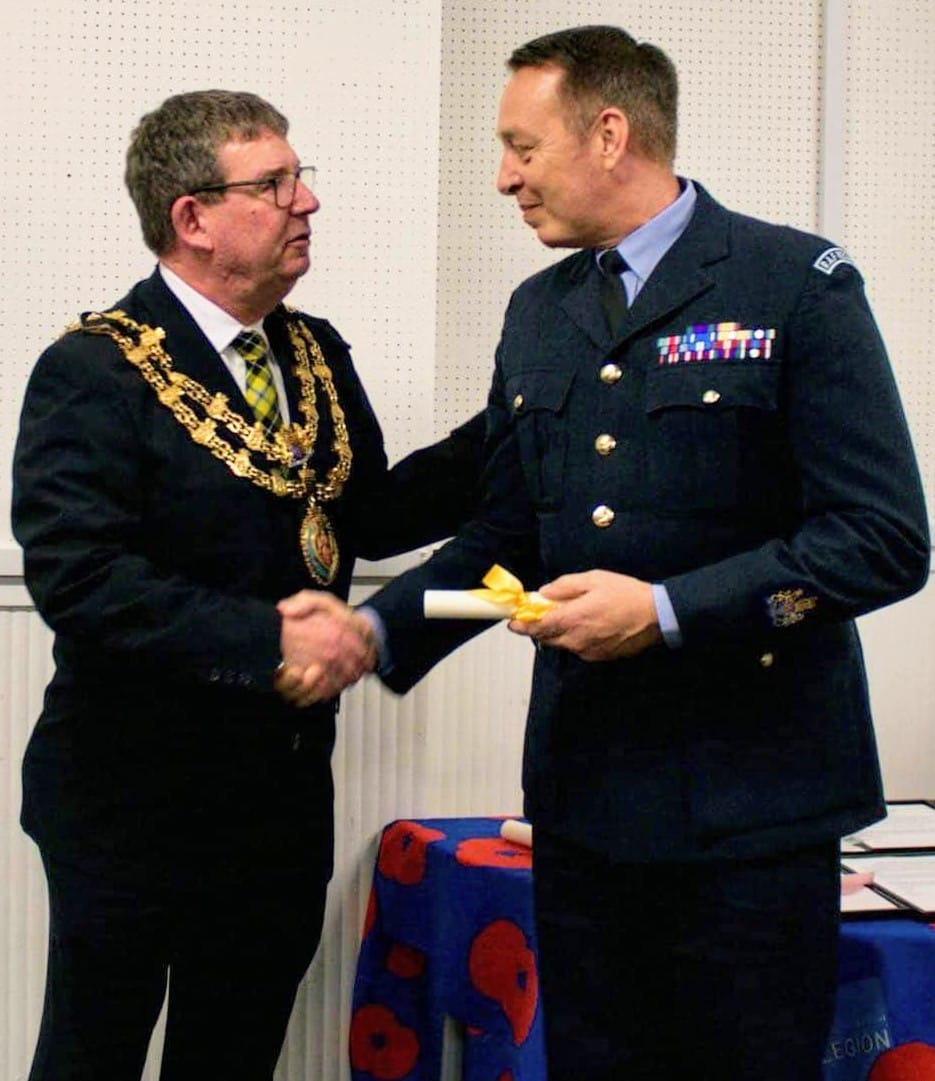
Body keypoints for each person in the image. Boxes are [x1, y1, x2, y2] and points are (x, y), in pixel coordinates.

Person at [331, 25, 930, 1081]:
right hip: (585, 804)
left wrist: (664, 612)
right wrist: (375, 628)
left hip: (752, 810)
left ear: (609, 133)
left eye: (523, 145)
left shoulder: (791, 283)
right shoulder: (541, 309)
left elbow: (879, 539)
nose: (503, 178)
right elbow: (504, 530)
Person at [12, 89, 484, 1081]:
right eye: (273, 184)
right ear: (192, 217)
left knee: (232, 1057)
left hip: (274, 797)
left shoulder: (310, 351)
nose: (304, 201)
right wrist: (270, 640)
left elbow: (370, 515)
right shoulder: (93, 370)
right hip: (130, 797)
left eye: (298, 177)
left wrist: (516, 427)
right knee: (91, 1055)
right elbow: (82, 580)